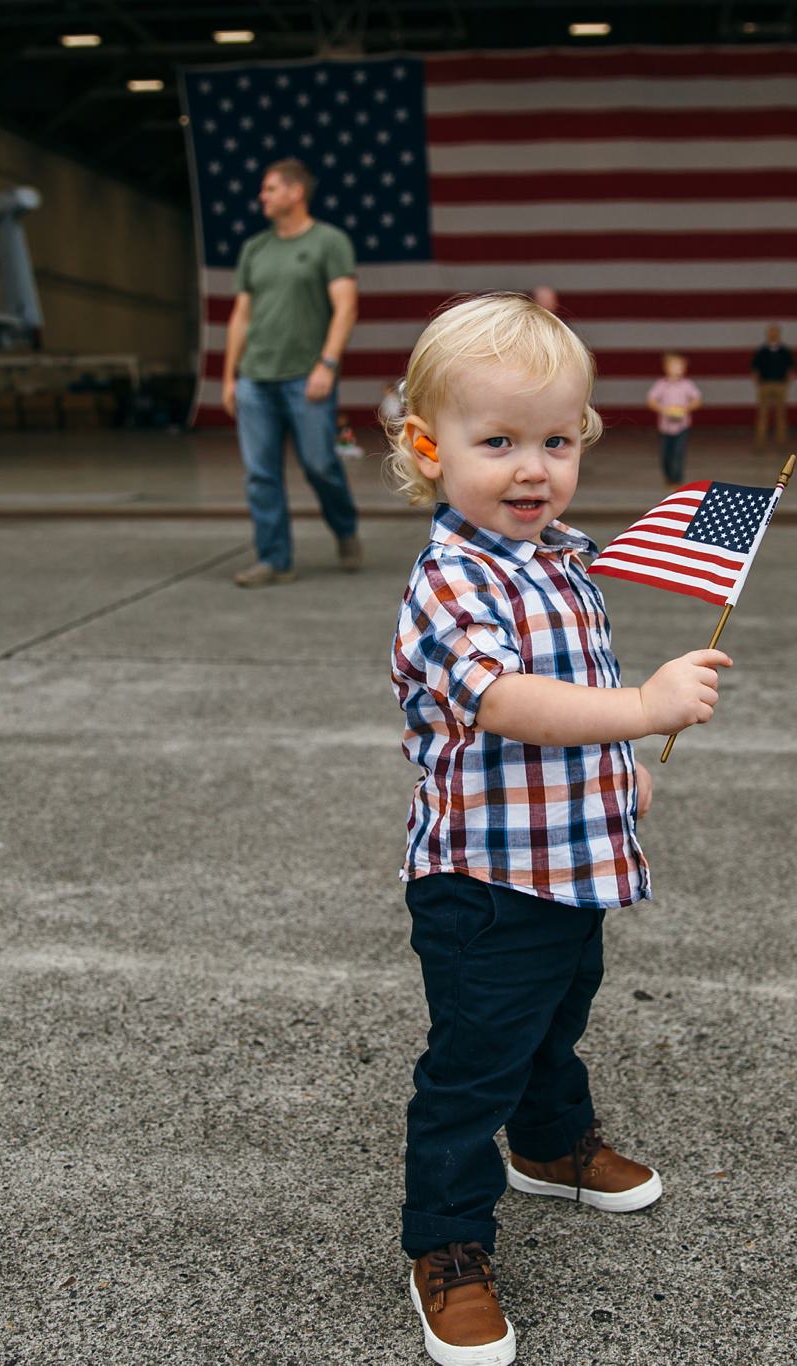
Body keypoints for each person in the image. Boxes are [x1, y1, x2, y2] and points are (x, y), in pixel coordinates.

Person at [384, 293, 726, 1366]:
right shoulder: (449, 580)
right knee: (471, 1061)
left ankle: (547, 1144)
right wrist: (643, 711)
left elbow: (575, 688)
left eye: (555, 440)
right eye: (497, 442)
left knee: (552, 1017)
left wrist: (623, 766)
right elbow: (505, 702)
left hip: (571, 863)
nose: (532, 468)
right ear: (427, 448)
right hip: (483, 880)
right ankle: (444, 1242)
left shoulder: (562, 560)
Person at [221, 158, 363, 588]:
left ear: (295, 192)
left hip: (307, 376)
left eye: (269, 189)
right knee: (261, 473)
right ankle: (275, 560)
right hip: (255, 380)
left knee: (320, 464)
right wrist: (229, 377)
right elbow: (240, 316)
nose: (261, 197)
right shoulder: (254, 249)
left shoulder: (329, 241)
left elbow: (346, 307)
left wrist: (327, 364)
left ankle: (344, 528)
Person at [646, 351, 702, 487]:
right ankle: (668, 475)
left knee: (678, 453)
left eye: (680, 366)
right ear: (666, 367)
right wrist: (663, 409)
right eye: (674, 366)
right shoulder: (661, 384)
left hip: (682, 426)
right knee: (666, 454)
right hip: (665, 427)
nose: (677, 369)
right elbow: (651, 400)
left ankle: (677, 479)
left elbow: (697, 400)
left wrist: (686, 408)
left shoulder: (687, 385)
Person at [749, 324, 793, 451]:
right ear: (767, 334)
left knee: (781, 416)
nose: (772, 334)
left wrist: (786, 384)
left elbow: (791, 369)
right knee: (762, 416)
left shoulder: (785, 351)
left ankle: (782, 444)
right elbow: (755, 369)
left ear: (779, 334)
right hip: (765, 385)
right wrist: (759, 384)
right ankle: (760, 445)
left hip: (780, 385)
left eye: (775, 332)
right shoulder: (761, 351)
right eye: (770, 332)